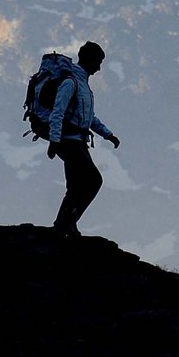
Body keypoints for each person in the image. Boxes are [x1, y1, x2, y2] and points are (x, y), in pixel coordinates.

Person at [47, 41, 120, 237]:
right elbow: (57, 112)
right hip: (68, 141)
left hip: (77, 141)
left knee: (75, 186)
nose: (99, 67)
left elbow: (89, 118)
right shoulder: (71, 83)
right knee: (93, 180)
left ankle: (63, 225)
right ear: (89, 59)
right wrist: (54, 141)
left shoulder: (84, 86)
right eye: (98, 61)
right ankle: (66, 223)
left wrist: (108, 134)